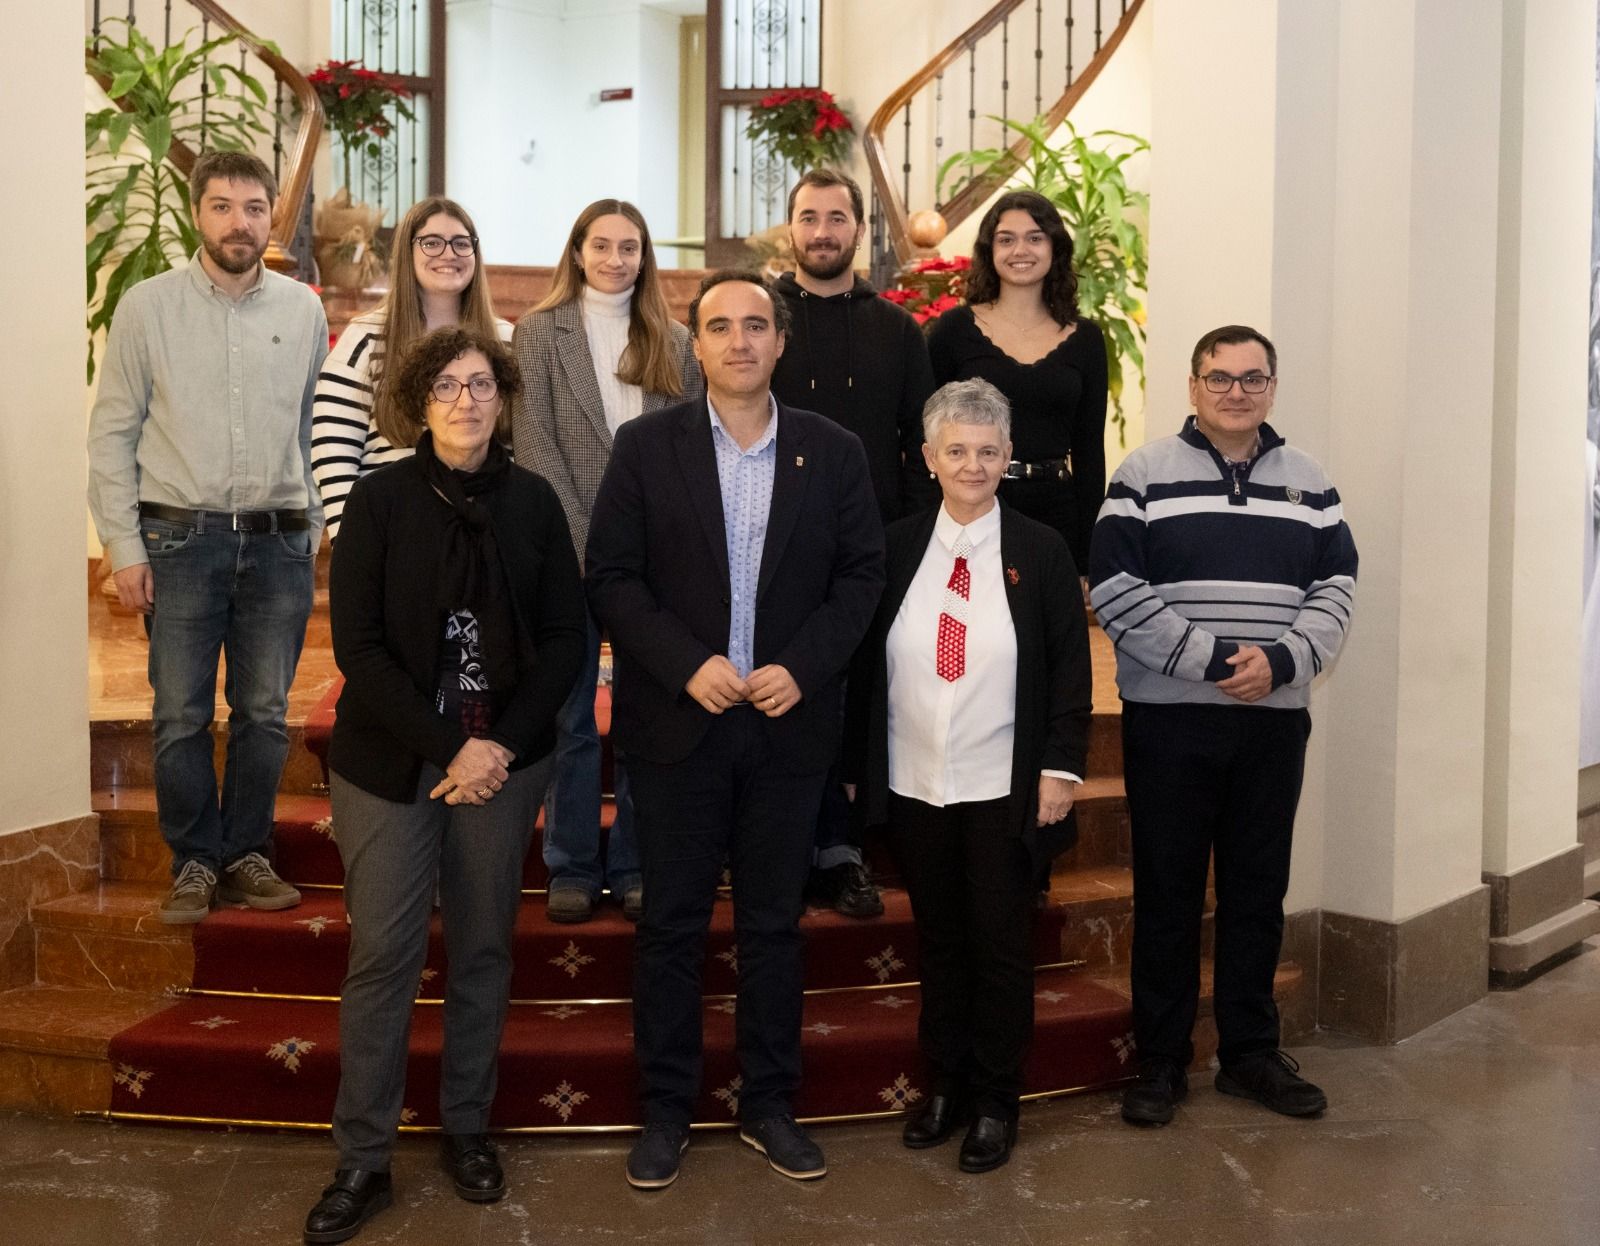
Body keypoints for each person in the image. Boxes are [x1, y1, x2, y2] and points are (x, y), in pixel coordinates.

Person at [586, 270, 885, 1190]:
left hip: (788, 728)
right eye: (720, 326)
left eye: (757, 325)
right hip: (680, 723)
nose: (741, 341)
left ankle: (769, 1105)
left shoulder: (833, 452)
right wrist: (686, 663)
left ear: (780, 342)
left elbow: (862, 576)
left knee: (772, 927)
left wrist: (804, 666)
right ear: (696, 345)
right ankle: (666, 1110)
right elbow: (613, 579)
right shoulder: (645, 447)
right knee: (671, 925)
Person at [304, 327, 585, 1242]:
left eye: (482, 386)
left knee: (481, 951)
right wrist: (449, 748)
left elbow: (564, 644)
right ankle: (364, 1157)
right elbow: (362, 653)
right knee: (383, 954)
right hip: (393, 761)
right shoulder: (380, 502)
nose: (467, 401)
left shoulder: (536, 504)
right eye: (448, 388)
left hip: (502, 761)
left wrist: (495, 746)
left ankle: (467, 1126)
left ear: (504, 400)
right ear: (419, 404)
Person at [1088, 325, 1357, 1127]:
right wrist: (1208, 660)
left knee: (1255, 891)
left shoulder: (1311, 483)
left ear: (1272, 387)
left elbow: (1339, 584)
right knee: (1168, 892)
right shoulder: (1142, 474)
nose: (1235, 392)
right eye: (1219, 378)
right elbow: (1114, 585)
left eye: (1252, 378)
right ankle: (1161, 1062)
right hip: (1171, 721)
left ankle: (1248, 1055)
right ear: (1193, 386)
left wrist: (1282, 661)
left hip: (1272, 722)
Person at [845, 378, 1092, 1173]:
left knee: (999, 946)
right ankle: (944, 1087)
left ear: (1009, 455)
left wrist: (1061, 769)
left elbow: (1068, 673)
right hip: (918, 780)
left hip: (1005, 786)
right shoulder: (892, 546)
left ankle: (995, 1100)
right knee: (940, 943)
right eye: (957, 450)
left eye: (988, 451)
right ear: (929, 458)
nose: (974, 464)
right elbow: (860, 668)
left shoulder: (1041, 551)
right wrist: (857, 769)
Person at [87, 150, 327, 925]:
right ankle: (193, 860)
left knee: (263, 712)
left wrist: (313, 525)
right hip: (179, 542)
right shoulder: (147, 308)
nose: (240, 222)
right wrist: (124, 549)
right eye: (222, 206)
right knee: (181, 713)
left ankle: (247, 854)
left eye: (254, 207)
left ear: (271, 217)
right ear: (198, 214)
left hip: (276, 544)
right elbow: (112, 435)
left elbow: (308, 430)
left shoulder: (304, 310)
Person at [512, 199, 701, 925]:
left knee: (646, 716)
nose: (616, 258)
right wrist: (590, 549)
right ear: (578, 250)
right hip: (567, 549)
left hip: (656, 554)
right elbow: (535, 449)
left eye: (630, 247)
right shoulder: (538, 333)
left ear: (645, 256)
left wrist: (638, 550)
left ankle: (632, 861)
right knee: (572, 716)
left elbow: (683, 447)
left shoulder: (674, 339)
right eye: (603, 245)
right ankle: (571, 862)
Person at [770, 167, 936, 920]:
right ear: (791, 228)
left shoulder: (898, 330)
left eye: (838, 218)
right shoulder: (760, 320)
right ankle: (778, 845)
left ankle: (844, 852)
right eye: (810, 218)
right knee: (782, 695)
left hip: (873, 550)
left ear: (859, 230)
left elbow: (920, 443)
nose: (823, 232)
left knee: (861, 702)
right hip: (768, 546)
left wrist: (908, 538)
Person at [927, 189, 1107, 573]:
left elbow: (1090, 451)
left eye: (1034, 238)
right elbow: (925, 436)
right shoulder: (954, 331)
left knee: (1048, 631)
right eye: (1006, 239)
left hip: (1058, 515)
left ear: (1054, 248)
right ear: (989, 251)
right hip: (971, 505)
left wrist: (1088, 557)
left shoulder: (1087, 340)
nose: (1019, 250)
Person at [311, 195, 509, 542]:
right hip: (394, 535)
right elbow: (334, 456)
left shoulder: (506, 342)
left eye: (461, 243)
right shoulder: (366, 339)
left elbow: (517, 450)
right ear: (407, 250)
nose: (449, 254)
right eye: (432, 243)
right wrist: (354, 544)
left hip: (487, 535)